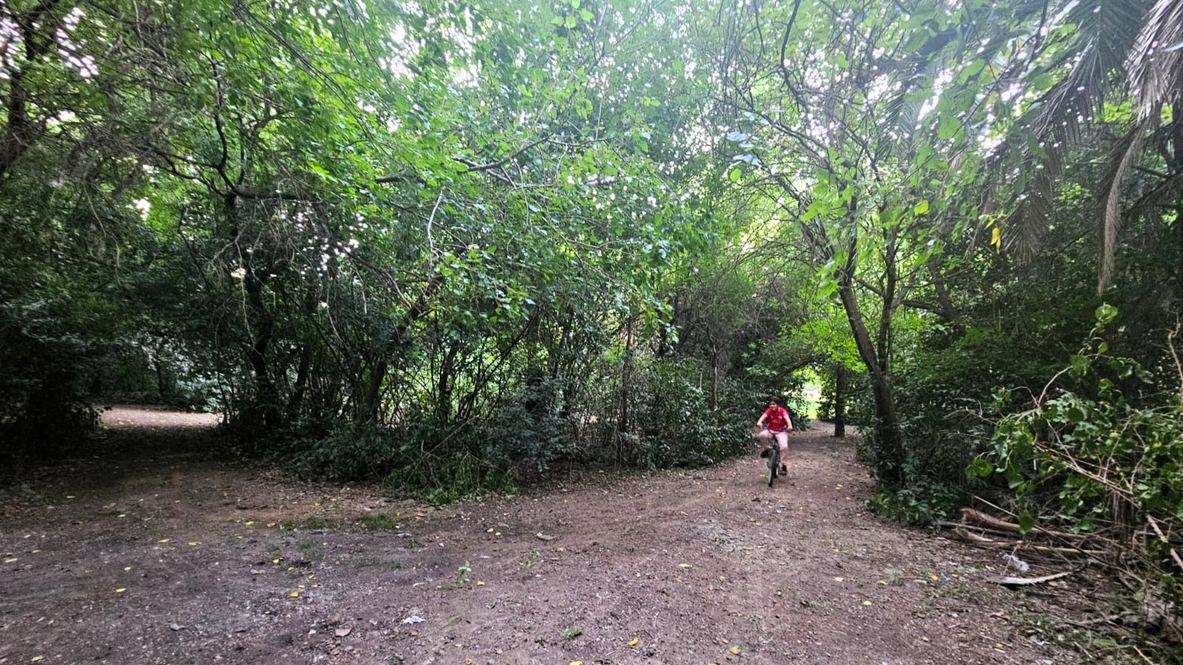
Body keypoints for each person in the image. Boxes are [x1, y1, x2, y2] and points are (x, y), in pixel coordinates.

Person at [756, 396, 793, 476]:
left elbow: (787, 419)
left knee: (784, 447)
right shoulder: (769, 411)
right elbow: (763, 417)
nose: (771, 406)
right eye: (770, 404)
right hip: (770, 430)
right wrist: (759, 422)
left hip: (781, 431)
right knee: (762, 435)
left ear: (778, 405)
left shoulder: (782, 411)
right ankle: (767, 449)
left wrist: (790, 426)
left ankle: (784, 465)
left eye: (773, 404)